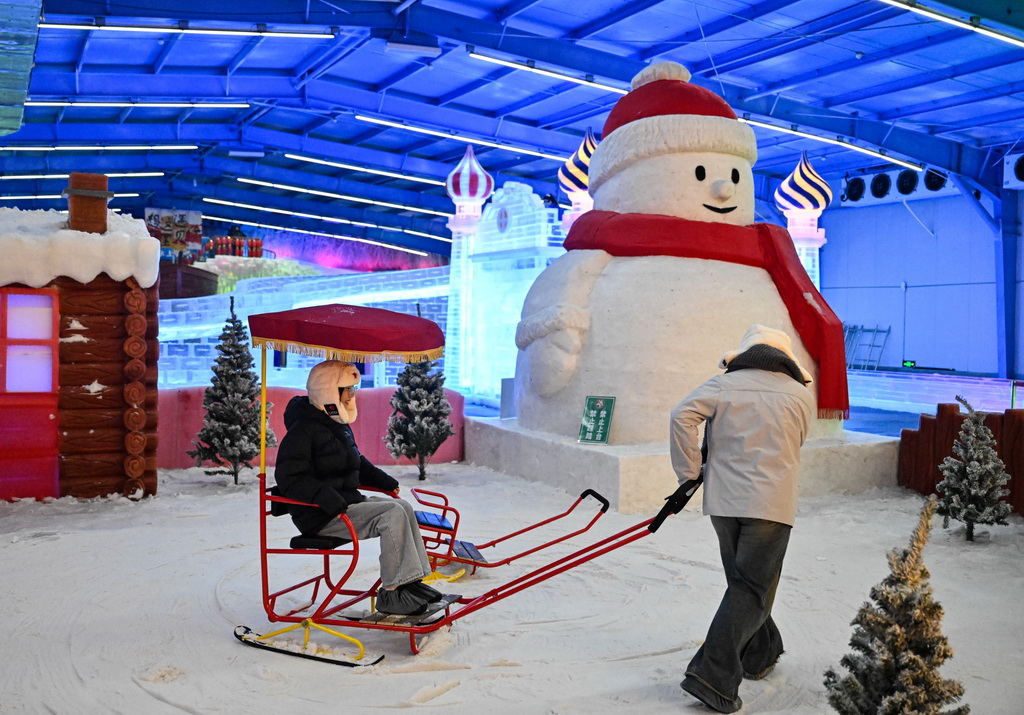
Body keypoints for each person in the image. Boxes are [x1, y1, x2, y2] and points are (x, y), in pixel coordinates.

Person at [668, 325, 815, 713]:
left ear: (746, 353)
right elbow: (798, 441)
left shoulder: (723, 386)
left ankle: (761, 653)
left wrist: (690, 471)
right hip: (771, 504)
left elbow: (682, 415)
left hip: (725, 503)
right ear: (785, 359)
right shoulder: (800, 394)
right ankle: (711, 677)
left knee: (744, 583)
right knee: (751, 588)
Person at [274, 360, 443, 615]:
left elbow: (356, 462)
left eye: (354, 388)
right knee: (391, 515)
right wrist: (324, 496)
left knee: (402, 506)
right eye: (347, 389)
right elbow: (290, 477)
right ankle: (393, 593)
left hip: (344, 504)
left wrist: (385, 482)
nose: (353, 395)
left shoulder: (335, 425)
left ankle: (411, 583)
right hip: (321, 515)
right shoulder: (303, 430)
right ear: (329, 391)